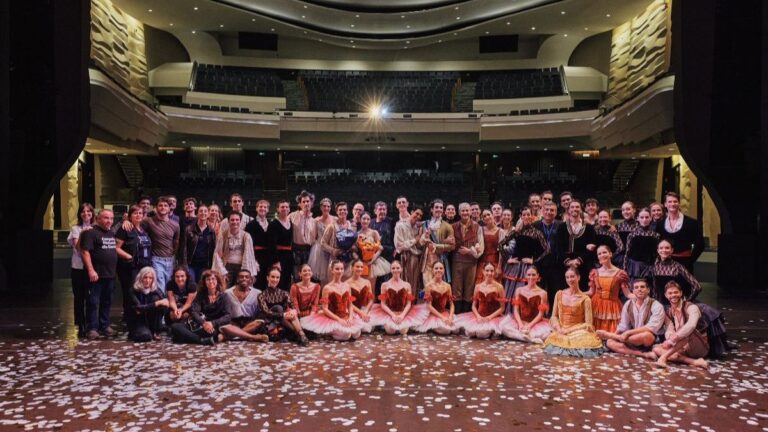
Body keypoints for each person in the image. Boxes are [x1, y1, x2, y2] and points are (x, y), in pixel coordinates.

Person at [543, 268, 604, 357]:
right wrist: (559, 329)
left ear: (578, 277)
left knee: (583, 340)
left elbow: (588, 324)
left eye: (572, 277)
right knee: (553, 338)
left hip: (577, 331)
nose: (570, 279)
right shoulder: (559, 294)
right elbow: (554, 316)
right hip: (561, 329)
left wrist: (568, 330)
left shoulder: (585, 299)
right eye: (567, 277)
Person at [597, 278, 664, 359]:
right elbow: (623, 326)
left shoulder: (656, 305)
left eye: (642, 287)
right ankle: (643, 354)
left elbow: (651, 327)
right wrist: (616, 335)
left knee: (647, 335)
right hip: (631, 340)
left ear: (648, 290)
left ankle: (611, 336)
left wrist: (616, 335)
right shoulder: (628, 304)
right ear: (633, 291)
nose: (639, 289)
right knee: (610, 343)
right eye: (636, 287)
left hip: (649, 340)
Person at [300, 261, 365, 341]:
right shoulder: (327, 288)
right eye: (337, 269)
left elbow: (350, 305)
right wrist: (339, 319)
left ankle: (340, 329)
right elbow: (325, 309)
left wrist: (350, 317)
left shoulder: (347, 286)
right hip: (333, 317)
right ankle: (329, 331)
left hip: (346, 315)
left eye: (341, 269)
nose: (340, 271)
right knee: (346, 336)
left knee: (356, 334)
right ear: (332, 270)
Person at [80, 209, 119, 340]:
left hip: (110, 275)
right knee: (92, 302)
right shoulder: (90, 233)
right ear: (98, 219)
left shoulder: (110, 233)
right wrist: (91, 270)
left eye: (112, 218)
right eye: (106, 218)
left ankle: (104, 325)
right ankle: (91, 328)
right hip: (96, 275)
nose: (110, 221)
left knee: (106, 302)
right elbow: (85, 252)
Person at [652, 281, 709, 369]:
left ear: (681, 293)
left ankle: (664, 357)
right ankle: (695, 362)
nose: (673, 295)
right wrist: (670, 341)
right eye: (670, 293)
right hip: (681, 347)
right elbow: (669, 329)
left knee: (687, 332)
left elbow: (691, 325)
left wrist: (672, 340)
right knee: (656, 348)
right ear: (666, 295)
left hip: (698, 347)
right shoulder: (669, 312)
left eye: (676, 292)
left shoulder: (691, 307)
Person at [500, 206, 549, 306]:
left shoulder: (537, 232)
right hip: (515, 267)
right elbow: (500, 244)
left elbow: (547, 250)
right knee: (513, 292)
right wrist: (507, 259)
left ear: (531, 216)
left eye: (528, 214)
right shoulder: (516, 232)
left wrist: (534, 261)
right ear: (520, 216)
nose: (526, 216)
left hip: (528, 267)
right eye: (524, 215)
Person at [131, 197, 179, 293]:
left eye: (165, 206)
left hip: (170, 260)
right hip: (156, 259)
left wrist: (172, 254)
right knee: (160, 286)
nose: (163, 207)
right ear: (156, 208)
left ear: (169, 208)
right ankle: (161, 307)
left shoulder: (175, 224)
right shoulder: (148, 221)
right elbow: (136, 224)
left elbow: (176, 241)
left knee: (169, 287)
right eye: (160, 205)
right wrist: (126, 221)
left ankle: (167, 307)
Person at [170, 270, 231, 345]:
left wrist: (212, 323)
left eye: (213, 279)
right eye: (208, 279)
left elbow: (228, 316)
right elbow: (194, 311)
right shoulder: (201, 295)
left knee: (177, 338)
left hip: (213, 326)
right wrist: (203, 323)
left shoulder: (224, 296)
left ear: (217, 281)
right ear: (204, 282)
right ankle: (201, 340)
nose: (210, 281)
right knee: (175, 326)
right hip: (199, 323)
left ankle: (188, 337)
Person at [369, 260, 429, 335]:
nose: (395, 270)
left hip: (402, 312)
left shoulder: (407, 285)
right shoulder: (385, 285)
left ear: (401, 269)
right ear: (390, 270)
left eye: (397, 268)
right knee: (390, 331)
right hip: (390, 313)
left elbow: (408, 303)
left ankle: (402, 322)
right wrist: (393, 315)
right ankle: (389, 323)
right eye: (393, 268)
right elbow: (383, 304)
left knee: (403, 331)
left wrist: (402, 315)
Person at [116, 205, 153, 322]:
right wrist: (128, 256)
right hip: (130, 267)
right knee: (130, 293)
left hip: (144, 266)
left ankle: (140, 317)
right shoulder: (125, 229)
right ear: (130, 216)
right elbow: (116, 247)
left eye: (140, 213)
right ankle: (129, 319)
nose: (138, 215)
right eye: (135, 213)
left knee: (141, 292)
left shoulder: (144, 230)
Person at [257, 267, 310, 345]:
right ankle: (300, 333)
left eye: (277, 277)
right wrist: (283, 315)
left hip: (284, 322)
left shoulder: (284, 293)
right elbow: (266, 312)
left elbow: (291, 305)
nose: (275, 280)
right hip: (269, 321)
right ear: (267, 278)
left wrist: (293, 310)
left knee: (291, 311)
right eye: (272, 277)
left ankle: (301, 335)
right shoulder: (261, 295)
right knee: (279, 308)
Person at [586, 245, 632, 333]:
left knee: (613, 335)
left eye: (604, 252)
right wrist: (577, 293)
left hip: (612, 307)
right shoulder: (594, 272)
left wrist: (640, 297)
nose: (602, 255)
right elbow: (591, 292)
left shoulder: (620, 273)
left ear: (610, 254)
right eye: (599, 254)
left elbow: (628, 294)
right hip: (596, 306)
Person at [655, 191, 705, 272]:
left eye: (675, 201)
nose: (672, 204)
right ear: (665, 204)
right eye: (670, 202)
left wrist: (690, 260)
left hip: (685, 263)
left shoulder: (691, 223)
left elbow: (700, 244)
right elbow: (657, 244)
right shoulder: (660, 224)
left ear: (679, 203)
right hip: (665, 263)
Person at [500, 266, 551, 343]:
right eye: (529, 275)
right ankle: (528, 338)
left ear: (537, 276)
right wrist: (520, 324)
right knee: (504, 328)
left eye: (533, 275)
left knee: (546, 334)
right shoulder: (519, 290)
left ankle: (522, 336)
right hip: (521, 321)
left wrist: (529, 326)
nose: (531, 277)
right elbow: (516, 310)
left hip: (534, 323)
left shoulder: (542, 293)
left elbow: (540, 315)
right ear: (526, 276)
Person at [454, 263, 506, 339]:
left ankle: (493, 331)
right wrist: (478, 316)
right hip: (479, 316)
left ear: (494, 272)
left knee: (481, 335)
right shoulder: (478, 286)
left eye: (491, 271)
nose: (489, 273)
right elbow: (474, 305)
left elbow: (502, 308)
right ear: (483, 271)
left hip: (493, 317)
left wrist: (489, 317)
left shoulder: (499, 287)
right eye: (487, 270)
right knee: (470, 333)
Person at [554, 199, 596, 291]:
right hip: (564, 264)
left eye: (577, 207)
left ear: (581, 209)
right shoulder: (561, 227)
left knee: (583, 290)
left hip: (583, 264)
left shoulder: (589, 228)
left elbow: (591, 248)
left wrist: (578, 260)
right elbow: (558, 247)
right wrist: (568, 261)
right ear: (568, 210)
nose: (575, 209)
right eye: (572, 207)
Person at [67, 202, 93, 337]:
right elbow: (78, 247)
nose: (86, 214)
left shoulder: (95, 228)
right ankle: (81, 324)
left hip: (92, 268)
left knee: (91, 297)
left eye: (89, 211)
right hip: (78, 268)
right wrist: (83, 232)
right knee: (79, 297)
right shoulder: (76, 229)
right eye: (83, 211)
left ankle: (91, 324)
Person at [220, 269, 268, 343]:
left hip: (250, 322)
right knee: (224, 326)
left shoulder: (258, 293)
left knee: (259, 322)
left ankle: (234, 335)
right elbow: (224, 311)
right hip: (233, 322)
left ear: (251, 280)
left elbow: (261, 312)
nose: (244, 279)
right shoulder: (227, 293)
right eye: (241, 277)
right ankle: (253, 337)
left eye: (247, 277)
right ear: (237, 279)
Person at [451, 203, 482, 313]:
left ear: (470, 212)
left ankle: (466, 314)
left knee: (469, 288)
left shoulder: (477, 227)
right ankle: (457, 313)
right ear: (459, 213)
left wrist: (472, 251)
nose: (465, 213)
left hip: (471, 262)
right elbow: (450, 243)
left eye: (467, 210)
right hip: (457, 261)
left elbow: (480, 244)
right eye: (462, 211)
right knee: (456, 288)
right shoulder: (453, 226)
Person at [213, 212, 259, 287]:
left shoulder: (246, 236)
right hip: (227, 268)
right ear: (228, 221)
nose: (235, 222)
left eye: (237, 220)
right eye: (232, 220)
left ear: (240, 221)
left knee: (242, 290)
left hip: (242, 267)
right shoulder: (223, 236)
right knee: (226, 292)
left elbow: (248, 256)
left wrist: (245, 272)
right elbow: (217, 255)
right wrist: (223, 272)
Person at [413, 262, 457, 334]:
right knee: (446, 331)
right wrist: (442, 317)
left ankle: (438, 326)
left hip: (443, 312)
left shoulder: (447, 286)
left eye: (441, 268)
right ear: (432, 271)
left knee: (456, 329)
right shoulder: (429, 286)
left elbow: (451, 304)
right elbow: (429, 306)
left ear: (444, 270)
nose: (438, 270)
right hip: (433, 313)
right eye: (436, 268)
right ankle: (431, 327)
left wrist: (451, 316)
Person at [126, 267, 168, 342]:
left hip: (152, 320)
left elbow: (166, 303)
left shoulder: (156, 290)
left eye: (150, 278)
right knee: (146, 336)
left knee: (158, 301)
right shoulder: (133, 290)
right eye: (145, 277)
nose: (147, 281)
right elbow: (138, 309)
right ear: (141, 278)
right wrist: (156, 303)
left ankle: (156, 330)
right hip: (138, 321)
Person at [422, 199, 455, 287]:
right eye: (436, 207)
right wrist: (424, 237)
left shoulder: (448, 226)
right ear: (431, 209)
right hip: (427, 261)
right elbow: (419, 244)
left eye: (441, 208)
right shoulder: (424, 225)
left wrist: (437, 246)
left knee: (441, 288)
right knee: (428, 287)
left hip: (441, 259)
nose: (439, 209)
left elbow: (452, 246)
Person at [179, 204, 215, 283]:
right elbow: (184, 248)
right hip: (191, 264)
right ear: (197, 214)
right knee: (192, 286)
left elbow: (213, 249)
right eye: (201, 211)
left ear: (208, 214)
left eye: (205, 211)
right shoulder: (189, 229)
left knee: (201, 287)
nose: (203, 213)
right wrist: (184, 265)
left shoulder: (211, 231)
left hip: (205, 265)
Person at [533, 201, 561, 303]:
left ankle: (552, 313)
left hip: (556, 264)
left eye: (552, 210)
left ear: (556, 212)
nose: (549, 212)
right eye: (547, 210)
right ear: (542, 211)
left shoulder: (561, 225)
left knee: (554, 290)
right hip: (539, 263)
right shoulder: (535, 225)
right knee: (538, 289)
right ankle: (538, 313)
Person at [320, 202, 358, 278]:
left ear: (347, 211)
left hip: (349, 260)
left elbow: (355, 242)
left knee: (347, 285)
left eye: (344, 209)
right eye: (340, 210)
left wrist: (354, 247)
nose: (342, 211)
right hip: (335, 260)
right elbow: (322, 243)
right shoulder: (331, 226)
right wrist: (333, 250)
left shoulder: (353, 226)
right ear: (337, 212)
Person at [394, 207, 425, 295]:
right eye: (417, 213)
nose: (418, 216)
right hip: (403, 257)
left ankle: (412, 304)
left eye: (420, 215)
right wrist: (414, 240)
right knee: (402, 281)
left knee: (414, 282)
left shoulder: (417, 228)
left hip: (414, 257)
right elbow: (399, 245)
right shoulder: (400, 225)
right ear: (411, 212)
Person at [623, 208, 660, 282]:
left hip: (650, 266)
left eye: (647, 217)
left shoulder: (656, 235)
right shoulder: (632, 235)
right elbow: (627, 252)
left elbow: (657, 254)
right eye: (642, 217)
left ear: (651, 218)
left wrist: (656, 267)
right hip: (634, 266)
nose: (644, 220)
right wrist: (624, 269)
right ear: (637, 219)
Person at [357, 213, 391, 287]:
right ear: (360, 220)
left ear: (370, 221)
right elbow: (355, 250)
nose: (365, 221)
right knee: (361, 286)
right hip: (361, 263)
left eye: (368, 219)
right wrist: (360, 260)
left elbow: (380, 249)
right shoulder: (357, 234)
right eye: (364, 219)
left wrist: (372, 260)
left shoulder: (374, 233)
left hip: (373, 263)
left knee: (371, 287)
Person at [289, 190, 317, 281]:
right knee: (296, 276)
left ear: (312, 203)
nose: (306, 204)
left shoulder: (315, 221)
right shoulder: (292, 216)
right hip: (295, 249)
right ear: (299, 204)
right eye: (303, 202)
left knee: (308, 276)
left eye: (308, 201)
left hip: (309, 250)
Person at [307, 197, 335, 284]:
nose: (326, 208)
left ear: (330, 208)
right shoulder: (316, 220)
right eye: (324, 206)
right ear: (321, 207)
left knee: (331, 271)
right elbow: (314, 235)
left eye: (328, 206)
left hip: (331, 247)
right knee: (321, 275)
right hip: (319, 248)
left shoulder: (335, 219)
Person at [245, 199, 271, 289]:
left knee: (267, 281)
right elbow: (248, 245)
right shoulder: (250, 225)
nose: (263, 208)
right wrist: (254, 260)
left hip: (268, 257)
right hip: (255, 256)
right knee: (257, 281)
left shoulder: (271, 224)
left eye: (265, 207)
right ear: (256, 209)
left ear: (268, 210)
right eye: (260, 206)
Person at [268, 200, 294, 290]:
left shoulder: (291, 223)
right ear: (278, 209)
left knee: (287, 279)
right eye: (282, 207)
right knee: (279, 280)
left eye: (286, 207)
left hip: (289, 256)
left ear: (289, 209)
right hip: (279, 256)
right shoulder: (273, 224)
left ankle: (285, 301)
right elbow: (271, 244)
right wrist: (276, 261)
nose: (285, 209)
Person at [346, 260, 375, 331]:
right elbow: (349, 303)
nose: (360, 269)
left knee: (369, 326)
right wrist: (360, 313)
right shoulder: (346, 284)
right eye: (357, 267)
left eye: (361, 267)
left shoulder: (367, 282)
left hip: (365, 309)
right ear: (352, 268)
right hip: (354, 310)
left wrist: (366, 310)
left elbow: (371, 299)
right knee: (359, 328)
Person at [477, 210, 502, 284]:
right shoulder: (480, 230)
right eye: (484, 216)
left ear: (492, 215)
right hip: (482, 263)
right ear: (483, 219)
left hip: (495, 263)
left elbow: (501, 251)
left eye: (488, 214)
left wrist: (499, 267)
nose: (487, 217)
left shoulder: (500, 231)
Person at [615, 201, 638, 266]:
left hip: (635, 260)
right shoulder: (618, 226)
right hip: (621, 260)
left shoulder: (640, 225)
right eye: (623, 210)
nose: (625, 212)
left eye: (628, 209)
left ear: (634, 210)